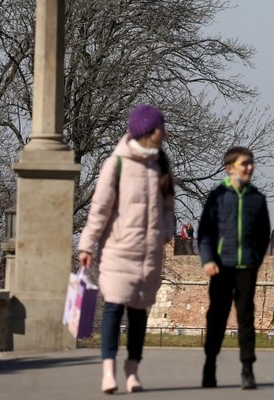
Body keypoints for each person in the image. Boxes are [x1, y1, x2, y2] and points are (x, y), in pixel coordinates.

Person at [78, 104, 175, 394]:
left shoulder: (162, 163)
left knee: (138, 313)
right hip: (119, 249)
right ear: (148, 130)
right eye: (161, 127)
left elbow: (169, 205)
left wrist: (166, 232)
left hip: (150, 252)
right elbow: (99, 209)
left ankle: (132, 371)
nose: (164, 131)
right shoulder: (116, 163)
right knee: (113, 307)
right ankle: (108, 370)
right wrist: (87, 244)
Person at [198, 146, 270, 389]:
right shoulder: (217, 196)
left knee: (246, 317)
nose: (249, 167)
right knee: (217, 316)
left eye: (251, 163)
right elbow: (205, 233)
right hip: (221, 265)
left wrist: (255, 260)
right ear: (229, 169)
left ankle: (247, 368)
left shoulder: (257, 198)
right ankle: (210, 365)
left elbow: (263, 235)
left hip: (246, 266)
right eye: (244, 163)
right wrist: (208, 260)